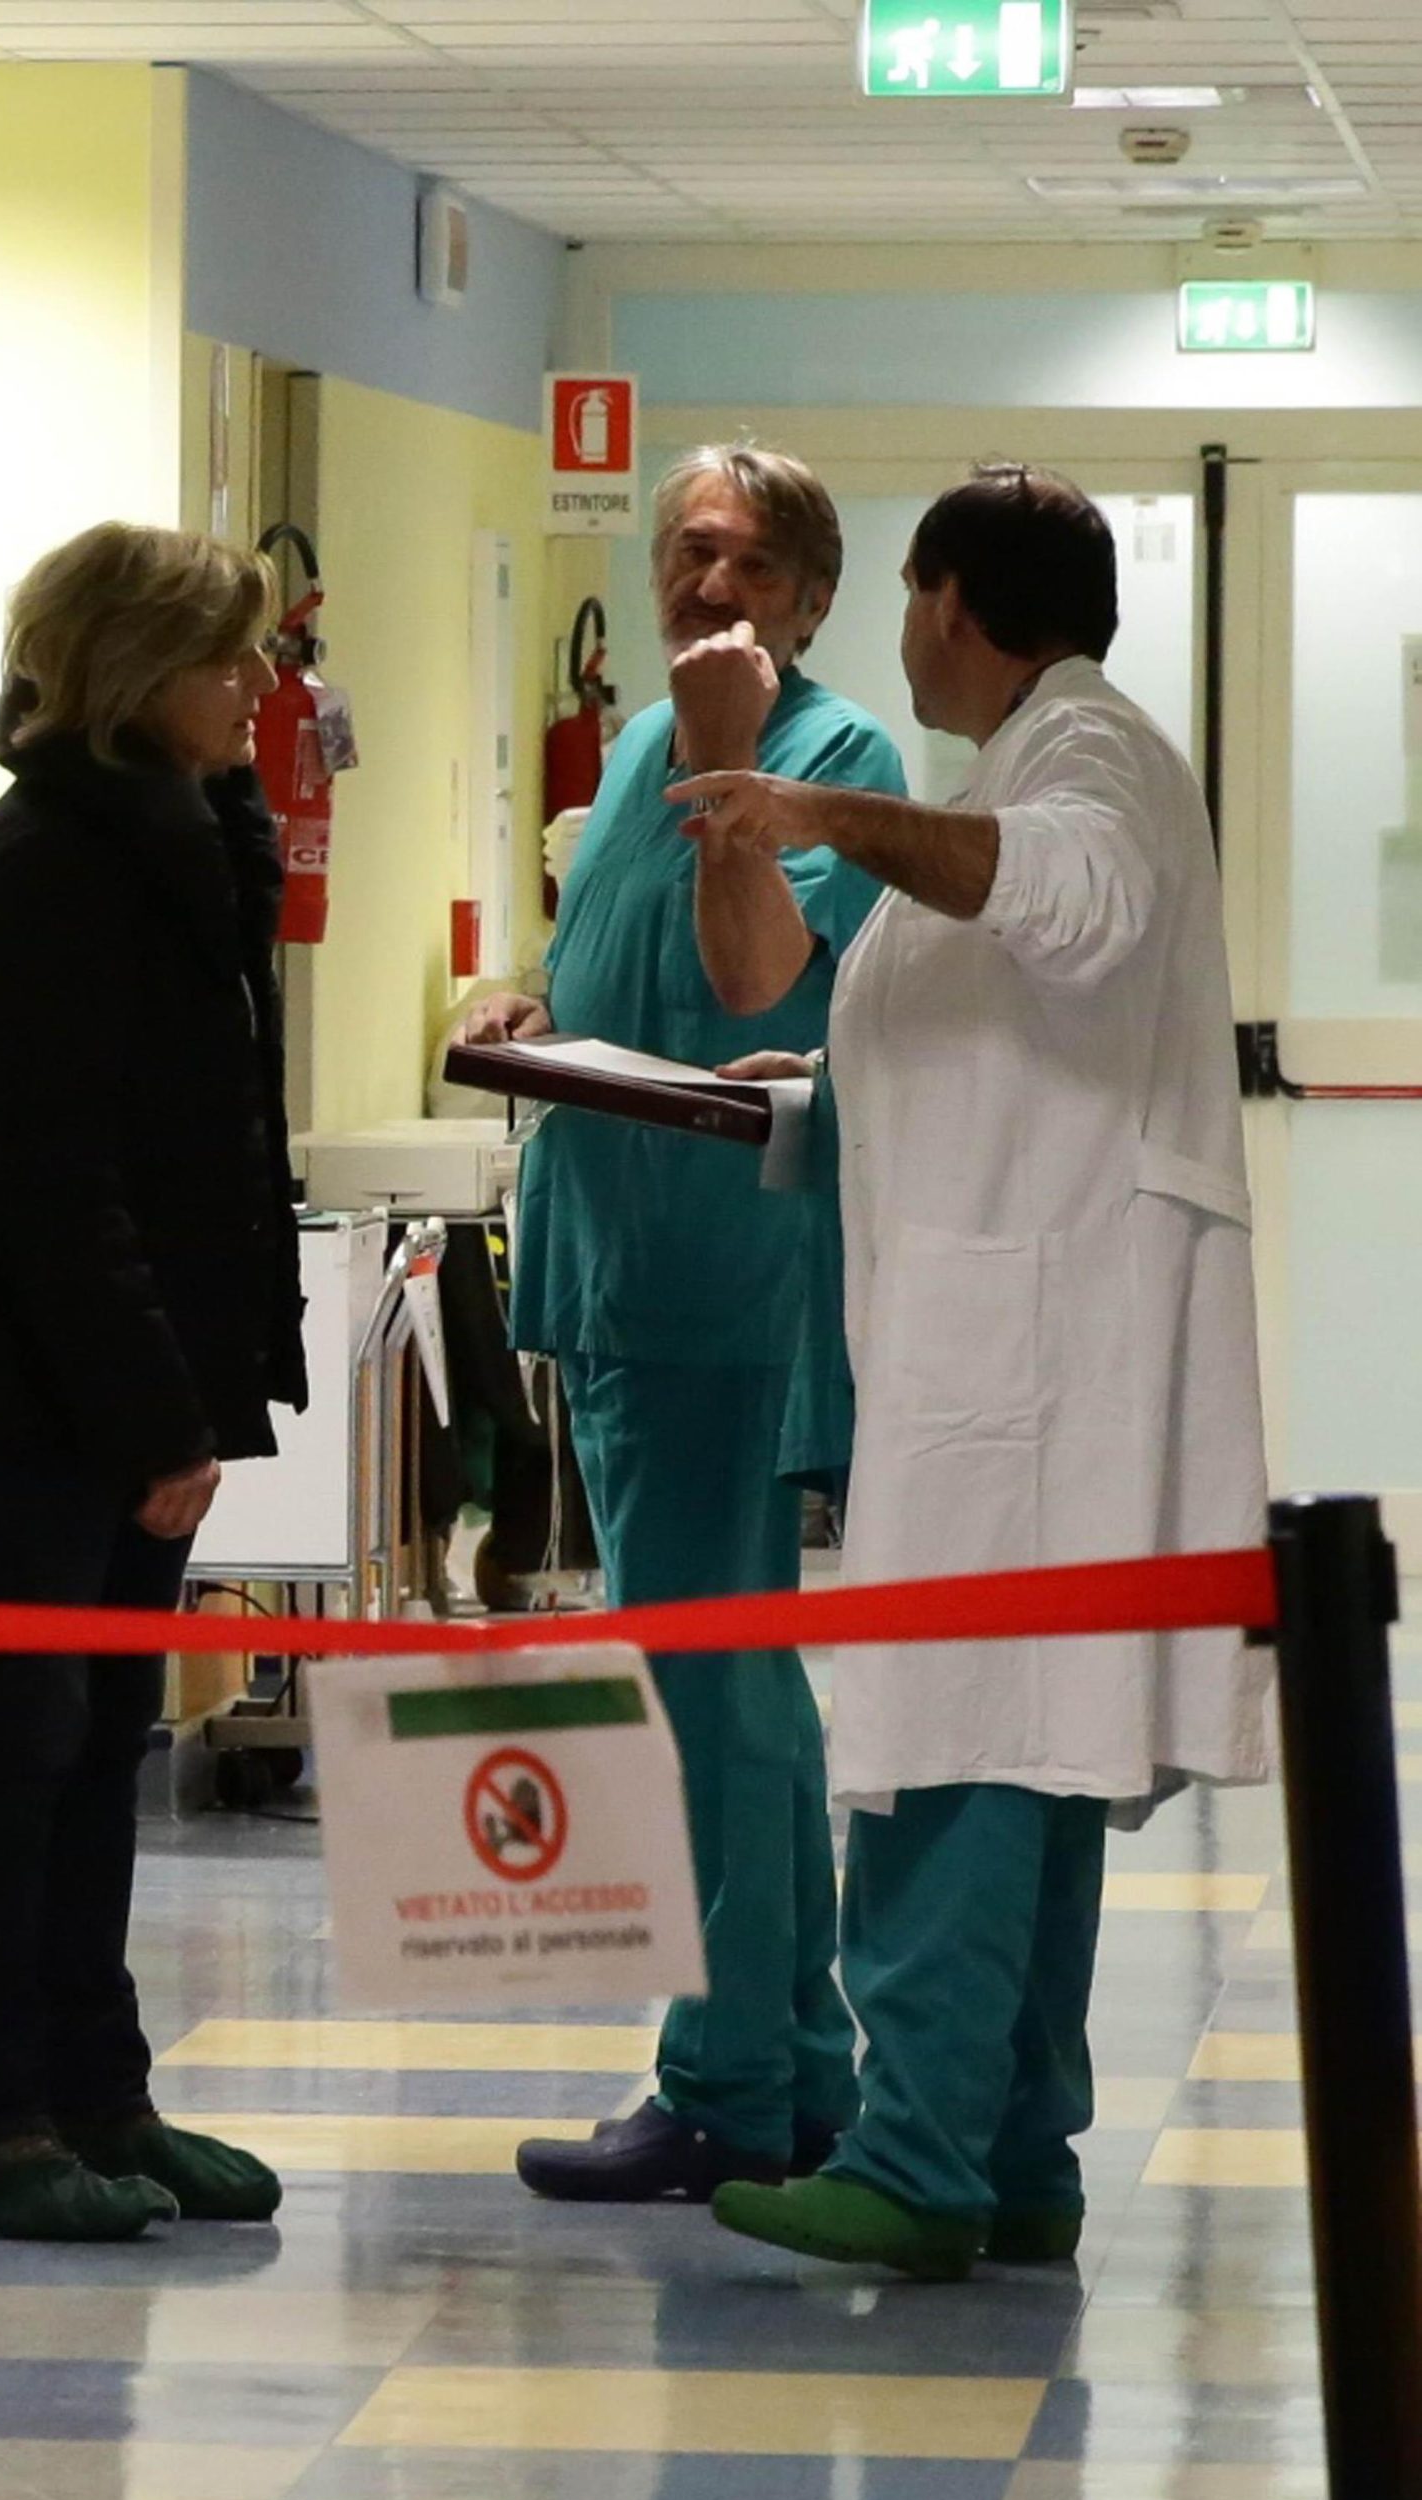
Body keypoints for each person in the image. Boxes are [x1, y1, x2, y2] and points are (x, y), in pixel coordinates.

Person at [669, 464, 1271, 2280]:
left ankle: (917, 2161)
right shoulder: (1021, 766)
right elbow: (943, 1015)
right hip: (1000, 1337)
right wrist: (814, 1067)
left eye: (906, 601)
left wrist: (810, 808)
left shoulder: (1088, 759)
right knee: (1022, 1744)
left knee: (959, 1745)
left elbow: (1064, 903)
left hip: (1029, 1360)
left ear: (946, 602)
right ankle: (1009, 2152)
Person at [456, 445, 907, 2204]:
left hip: (723, 1288)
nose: (707, 587)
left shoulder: (833, 759)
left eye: (746, 563)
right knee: (715, 1681)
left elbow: (753, 980)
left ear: (811, 595)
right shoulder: (641, 739)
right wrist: (528, 1006)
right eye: (686, 553)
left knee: (704, 1689)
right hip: (614, 1267)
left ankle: (724, 2078)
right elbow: (633, 974)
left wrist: (731, 761)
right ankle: (787, 2061)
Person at [0, 522, 306, 2243]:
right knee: (27, 1739)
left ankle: (101, 2094)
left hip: (140, 1379)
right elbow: (53, 1187)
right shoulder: (40, 870)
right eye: (227, 658)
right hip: (39, 1390)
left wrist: (191, 1399)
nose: (258, 683)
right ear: (136, 673)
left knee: (107, 1734)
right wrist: (153, 1420)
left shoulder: (173, 843)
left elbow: (196, 1126)